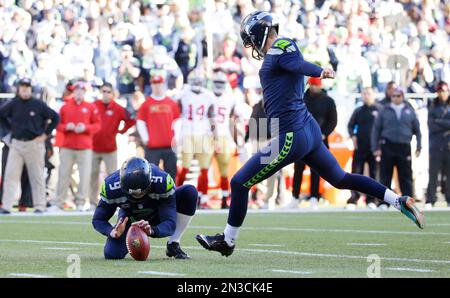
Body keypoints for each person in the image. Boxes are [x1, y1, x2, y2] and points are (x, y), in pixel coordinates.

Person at [196, 11, 424, 257]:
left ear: (261, 33)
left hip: (293, 134)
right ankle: (398, 200)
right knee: (341, 178)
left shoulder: (281, 47)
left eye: (251, 39)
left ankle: (228, 241)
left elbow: (297, 65)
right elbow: (293, 65)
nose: (251, 46)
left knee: (239, 182)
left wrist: (319, 71)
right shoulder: (283, 48)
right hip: (308, 130)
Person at [92, 157, 198, 259]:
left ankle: (173, 243)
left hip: (158, 213)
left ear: (150, 181)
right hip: (131, 219)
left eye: (142, 192)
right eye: (132, 194)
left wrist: (152, 230)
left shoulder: (162, 181)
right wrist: (112, 231)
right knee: (112, 254)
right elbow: (98, 219)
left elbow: (170, 223)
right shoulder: (111, 186)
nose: (137, 197)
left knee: (189, 192)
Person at [0, 78, 59, 214]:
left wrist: (46, 134)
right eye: (22, 87)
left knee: (37, 176)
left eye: (27, 87)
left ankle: (40, 205)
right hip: (16, 144)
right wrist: (9, 131)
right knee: (10, 175)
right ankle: (7, 205)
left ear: (31, 89)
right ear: (19, 89)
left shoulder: (38, 104)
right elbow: (1, 115)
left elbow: (55, 117)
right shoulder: (13, 104)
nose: (25, 89)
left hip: (34, 143)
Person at [286, 77, 337, 209]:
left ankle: (314, 197)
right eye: (312, 84)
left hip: (319, 140)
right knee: (298, 169)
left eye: (316, 85)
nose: (314, 87)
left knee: (316, 170)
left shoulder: (328, 101)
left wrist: (324, 133)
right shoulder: (302, 99)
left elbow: (332, 121)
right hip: (301, 139)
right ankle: (295, 197)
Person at [50, 81, 101, 212]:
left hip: (85, 146)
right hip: (67, 146)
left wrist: (85, 128)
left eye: (81, 91)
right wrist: (67, 127)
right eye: (77, 90)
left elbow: (97, 125)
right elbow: (58, 124)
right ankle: (59, 202)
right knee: (63, 174)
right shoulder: (65, 107)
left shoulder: (90, 107)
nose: (79, 93)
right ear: (73, 92)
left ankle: (81, 202)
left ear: (84, 92)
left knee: (84, 175)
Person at [372, 87, 422, 207]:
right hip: (387, 145)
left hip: (404, 146)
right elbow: (376, 130)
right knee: (385, 174)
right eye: (393, 96)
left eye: (398, 96)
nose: (395, 98)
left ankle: (408, 201)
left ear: (402, 96)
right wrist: (375, 147)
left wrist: (419, 145)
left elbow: (417, 129)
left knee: (405, 175)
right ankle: (383, 202)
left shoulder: (409, 110)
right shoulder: (384, 110)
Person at [90, 83, 135, 208]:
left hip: (110, 148)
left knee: (114, 178)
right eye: (103, 91)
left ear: (112, 93)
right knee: (92, 175)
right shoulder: (94, 106)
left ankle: (114, 201)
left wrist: (122, 131)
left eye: (108, 91)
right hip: (93, 147)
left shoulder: (118, 108)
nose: (105, 94)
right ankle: (93, 202)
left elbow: (131, 119)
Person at [175, 71, 214, 208]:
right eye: (195, 81)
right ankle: (175, 195)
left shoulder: (207, 96)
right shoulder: (183, 94)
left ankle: (202, 198)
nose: (197, 84)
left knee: (204, 169)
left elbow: (211, 116)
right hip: (188, 133)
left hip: (202, 133)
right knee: (185, 167)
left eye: (199, 81)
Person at [136, 75, 180, 181]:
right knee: (150, 174)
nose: (157, 87)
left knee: (171, 173)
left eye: (159, 84)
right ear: (151, 86)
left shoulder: (171, 103)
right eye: (154, 84)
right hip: (152, 146)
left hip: (169, 146)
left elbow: (177, 120)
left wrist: (177, 137)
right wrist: (146, 139)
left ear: (163, 85)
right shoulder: (146, 104)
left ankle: (171, 195)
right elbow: (140, 122)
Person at [346, 87, 382, 210]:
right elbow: (350, 125)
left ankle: (372, 200)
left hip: (374, 148)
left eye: (369, 94)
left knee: (374, 174)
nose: (366, 96)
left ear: (374, 95)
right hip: (360, 147)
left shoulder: (379, 110)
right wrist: (353, 136)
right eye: (364, 93)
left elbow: (384, 128)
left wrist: (380, 145)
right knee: (356, 173)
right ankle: (354, 199)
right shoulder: (358, 111)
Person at [211, 71, 237, 209]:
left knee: (224, 171)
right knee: (205, 169)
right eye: (217, 83)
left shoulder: (230, 99)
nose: (219, 85)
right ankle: (202, 197)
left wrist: (236, 139)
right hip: (208, 135)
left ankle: (225, 197)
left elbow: (232, 120)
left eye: (221, 83)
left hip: (222, 135)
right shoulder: (207, 96)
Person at [425, 81, 450, 209]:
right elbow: (431, 125)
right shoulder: (433, 105)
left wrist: (439, 122)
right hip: (435, 145)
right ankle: (431, 199)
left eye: (444, 91)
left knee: (449, 174)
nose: (442, 94)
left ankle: (449, 199)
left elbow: (436, 123)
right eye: (440, 91)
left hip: (448, 145)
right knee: (433, 173)